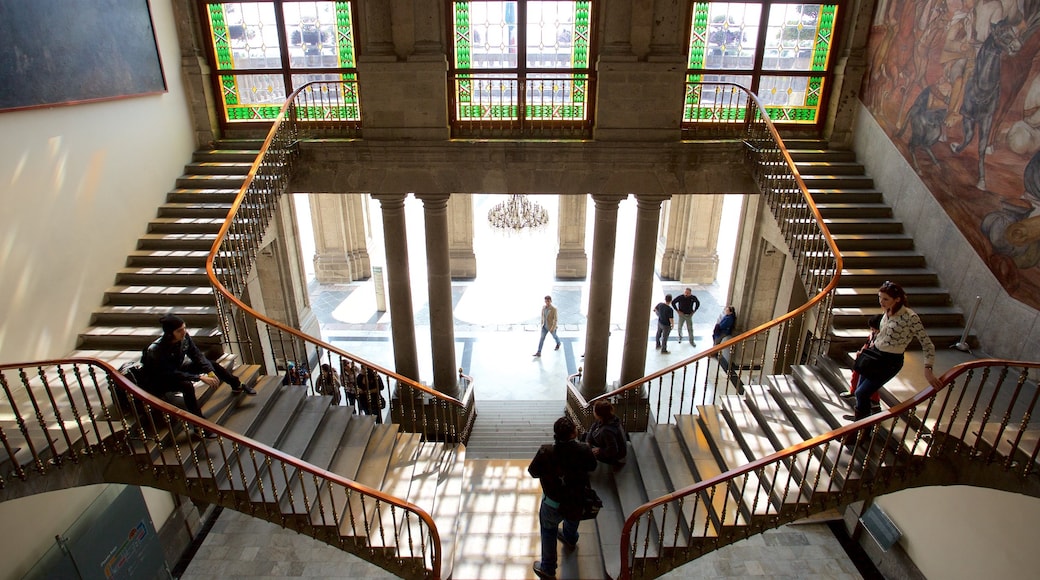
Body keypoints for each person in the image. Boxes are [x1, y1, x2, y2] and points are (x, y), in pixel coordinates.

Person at [140, 314, 256, 436]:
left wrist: (209, 371)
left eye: (184, 328)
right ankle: (198, 424)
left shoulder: (184, 338)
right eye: (179, 330)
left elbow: (196, 355)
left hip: (175, 370)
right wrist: (199, 377)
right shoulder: (156, 350)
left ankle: (237, 385)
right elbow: (169, 373)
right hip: (159, 381)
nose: (183, 332)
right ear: (170, 333)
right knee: (187, 386)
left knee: (212, 365)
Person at [844, 281, 940, 422]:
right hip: (874, 354)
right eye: (880, 297)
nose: (881, 302)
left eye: (885, 299)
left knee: (861, 393)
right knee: (861, 392)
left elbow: (927, 344)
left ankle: (861, 428)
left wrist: (928, 368)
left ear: (898, 299)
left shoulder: (910, 318)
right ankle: (861, 420)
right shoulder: (888, 310)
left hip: (889, 361)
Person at [528, 416, 597, 580]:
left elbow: (533, 472)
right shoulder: (584, 449)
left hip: (552, 502)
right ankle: (570, 537)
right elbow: (592, 466)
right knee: (573, 519)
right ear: (574, 433)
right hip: (576, 499)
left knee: (548, 531)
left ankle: (548, 568)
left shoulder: (546, 451)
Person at [840, 314, 883, 413]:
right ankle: (852, 390)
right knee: (855, 376)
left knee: (867, 384)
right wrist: (861, 351)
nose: (872, 330)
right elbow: (867, 344)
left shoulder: (881, 339)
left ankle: (874, 402)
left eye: (874, 329)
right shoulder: (872, 335)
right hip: (864, 360)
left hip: (871, 363)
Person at [582, 400, 627, 466]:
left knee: (586, 453)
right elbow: (593, 428)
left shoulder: (607, 431)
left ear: (598, 414)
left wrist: (600, 450)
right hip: (604, 443)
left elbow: (613, 450)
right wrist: (588, 442)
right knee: (584, 436)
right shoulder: (607, 418)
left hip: (615, 455)